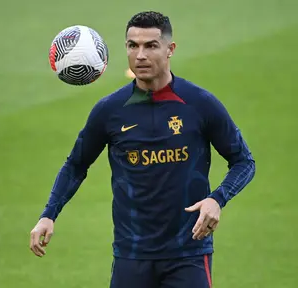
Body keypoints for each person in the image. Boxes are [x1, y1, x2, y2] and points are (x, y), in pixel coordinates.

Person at [30, 11, 256, 288]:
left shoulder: (200, 104)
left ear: (170, 49)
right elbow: (76, 165)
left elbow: (244, 161)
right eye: (132, 45)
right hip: (131, 256)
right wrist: (48, 214)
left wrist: (217, 199)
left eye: (150, 45)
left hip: (188, 255)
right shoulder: (109, 111)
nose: (140, 55)